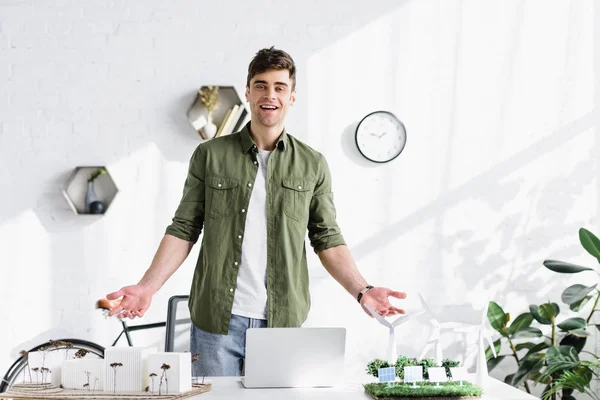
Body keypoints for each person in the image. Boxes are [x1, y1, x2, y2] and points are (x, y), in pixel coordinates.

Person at [106, 46, 406, 376]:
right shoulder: (210, 155)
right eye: (261, 85)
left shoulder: (312, 164)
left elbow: (327, 238)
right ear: (248, 92)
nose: (270, 95)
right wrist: (147, 287)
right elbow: (184, 228)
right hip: (216, 323)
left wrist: (362, 290)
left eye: (280, 87)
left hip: (283, 323)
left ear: (292, 97)